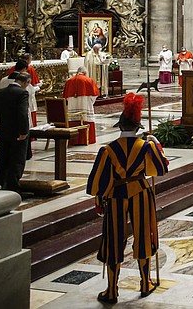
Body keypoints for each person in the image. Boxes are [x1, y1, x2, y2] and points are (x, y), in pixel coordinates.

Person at [86, 93, 169, 303]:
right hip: (140, 191)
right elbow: (160, 168)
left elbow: (98, 181)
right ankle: (145, 282)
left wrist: (99, 200)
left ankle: (112, 290)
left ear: (120, 126)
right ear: (137, 127)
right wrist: (156, 145)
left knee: (113, 238)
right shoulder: (146, 146)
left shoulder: (108, 149)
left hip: (116, 195)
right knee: (144, 234)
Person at [0, 72, 30, 194]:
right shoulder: (22, 93)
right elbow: (22, 113)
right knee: (17, 160)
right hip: (17, 133)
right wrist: (24, 132)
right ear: (26, 82)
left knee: (2, 159)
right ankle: (13, 188)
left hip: (3, 131)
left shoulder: (1, 92)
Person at [63, 66, 100, 145]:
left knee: (73, 116)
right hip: (85, 106)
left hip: (72, 110)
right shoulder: (88, 80)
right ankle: (86, 140)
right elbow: (94, 95)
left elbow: (65, 98)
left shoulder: (69, 81)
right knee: (85, 116)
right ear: (85, 73)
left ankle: (73, 140)